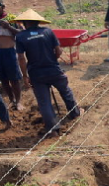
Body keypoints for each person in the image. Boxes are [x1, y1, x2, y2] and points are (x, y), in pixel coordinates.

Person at [14, 9, 81, 137]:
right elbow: (59, 51)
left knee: (44, 102)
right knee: (66, 91)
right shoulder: (48, 32)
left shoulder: (21, 36)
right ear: (38, 21)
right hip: (54, 70)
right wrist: (52, 60)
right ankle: (75, 114)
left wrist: (25, 76)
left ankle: (53, 129)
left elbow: (21, 58)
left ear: (24, 23)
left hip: (36, 74)